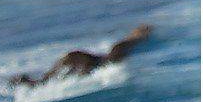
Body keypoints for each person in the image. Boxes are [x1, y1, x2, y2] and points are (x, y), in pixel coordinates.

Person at [11, 25, 153, 87]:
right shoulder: (112, 57)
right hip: (78, 60)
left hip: (77, 59)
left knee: (45, 81)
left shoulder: (112, 56)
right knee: (45, 81)